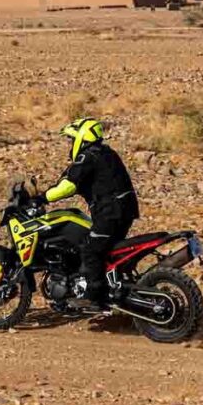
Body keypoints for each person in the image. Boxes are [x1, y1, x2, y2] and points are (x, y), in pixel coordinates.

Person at [34, 117, 139, 305]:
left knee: (90, 250)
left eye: (72, 139)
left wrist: (42, 198)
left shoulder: (88, 156)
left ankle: (94, 297)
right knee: (107, 251)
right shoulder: (107, 153)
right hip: (124, 210)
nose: (71, 144)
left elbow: (68, 186)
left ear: (82, 138)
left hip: (110, 212)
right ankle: (113, 287)